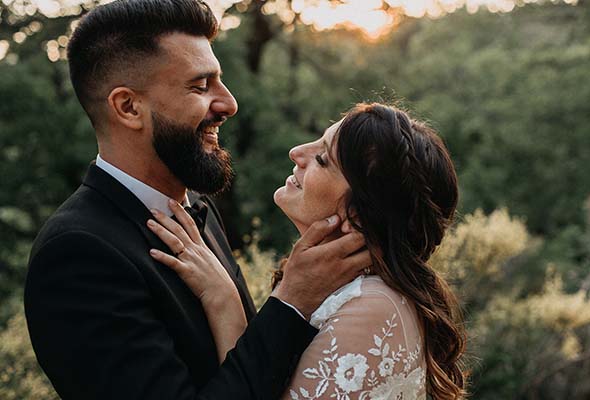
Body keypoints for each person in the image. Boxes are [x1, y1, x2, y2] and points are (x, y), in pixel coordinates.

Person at [23, 1, 371, 399]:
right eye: (200, 86)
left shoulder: (197, 208)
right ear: (129, 107)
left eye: (219, 81)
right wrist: (292, 300)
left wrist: (229, 303)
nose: (229, 104)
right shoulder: (77, 255)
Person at [149, 103, 468, 399]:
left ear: (357, 215)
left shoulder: (373, 306)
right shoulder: (344, 293)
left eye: (322, 159)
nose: (297, 152)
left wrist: (225, 303)